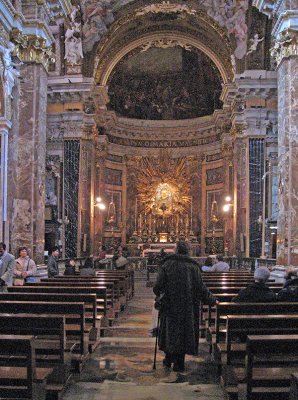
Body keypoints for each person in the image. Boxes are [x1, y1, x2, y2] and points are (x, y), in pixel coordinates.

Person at [153, 241, 217, 372]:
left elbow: (157, 286)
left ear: (176, 251)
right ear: (188, 251)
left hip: (169, 305)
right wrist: (212, 300)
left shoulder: (166, 264)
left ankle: (168, 358)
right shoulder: (193, 267)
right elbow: (200, 288)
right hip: (187, 306)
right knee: (183, 333)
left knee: (169, 331)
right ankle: (179, 362)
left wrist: (161, 294)